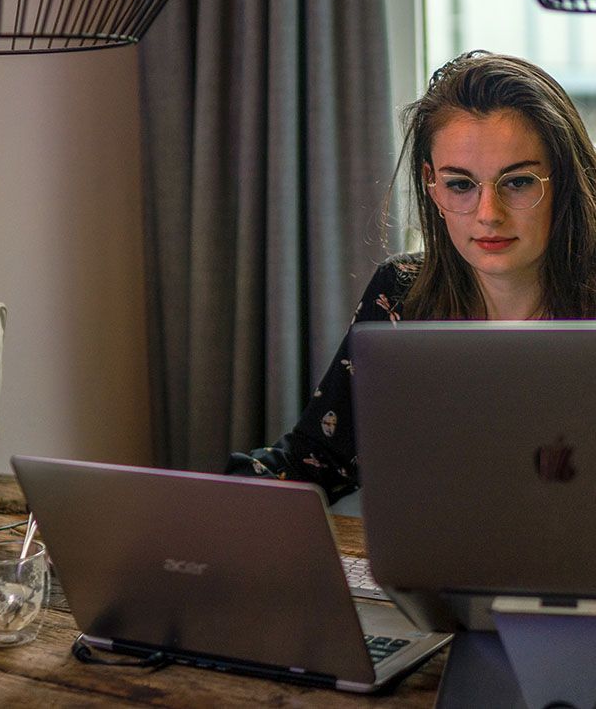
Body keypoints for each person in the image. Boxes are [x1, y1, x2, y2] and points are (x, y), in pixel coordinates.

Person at [226, 49, 596, 504]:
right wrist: (227, 501)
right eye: (461, 185)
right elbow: (313, 460)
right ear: (431, 184)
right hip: (435, 574)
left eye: (517, 182)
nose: (488, 215)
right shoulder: (400, 294)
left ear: (564, 179)